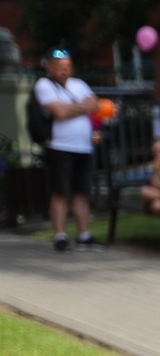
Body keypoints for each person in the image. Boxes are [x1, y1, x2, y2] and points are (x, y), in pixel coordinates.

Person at [34, 48, 102, 252]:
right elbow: (59, 112)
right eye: (60, 67)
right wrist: (83, 107)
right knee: (60, 192)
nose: (65, 71)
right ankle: (60, 236)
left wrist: (76, 108)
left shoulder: (79, 84)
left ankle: (84, 235)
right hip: (59, 147)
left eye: (68, 67)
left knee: (82, 192)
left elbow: (95, 104)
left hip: (84, 147)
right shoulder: (44, 85)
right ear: (49, 67)